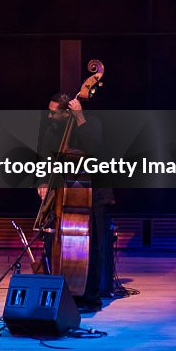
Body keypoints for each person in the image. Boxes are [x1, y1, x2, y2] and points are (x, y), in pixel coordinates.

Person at [35, 92, 114, 311]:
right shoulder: (52, 131)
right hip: (65, 193)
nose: (50, 117)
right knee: (55, 241)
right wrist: (42, 182)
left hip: (94, 193)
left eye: (54, 113)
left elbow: (95, 149)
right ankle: (62, 290)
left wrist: (79, 118)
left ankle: (90, 297)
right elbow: (43, 159)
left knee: (93, 245)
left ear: (68, 111)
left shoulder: (91, 123)